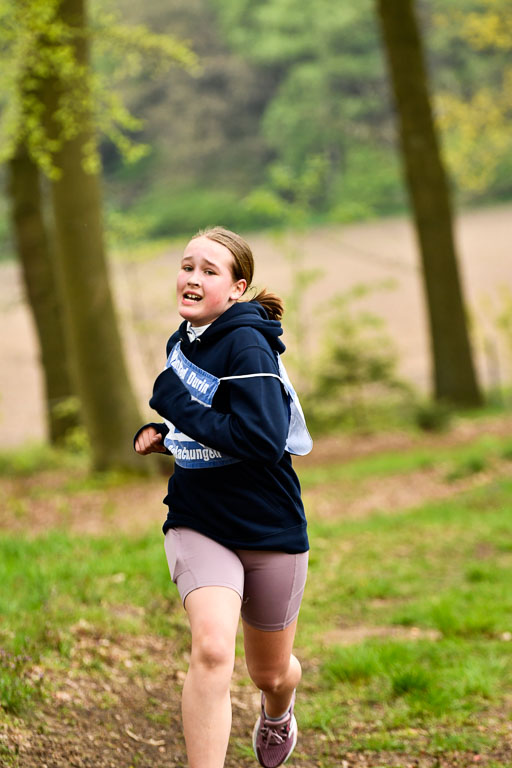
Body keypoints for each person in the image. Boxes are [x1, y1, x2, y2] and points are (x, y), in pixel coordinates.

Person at [134, 226, 312, 768]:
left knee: (269, 673)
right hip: (198, 519)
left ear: (236, 288)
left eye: (209, 271)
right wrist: (166, 433)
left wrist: (176, 406)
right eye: (188, 266)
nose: (192, 278)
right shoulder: (185, 340)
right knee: (212, 650)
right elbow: (210, 423)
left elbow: (260, 441)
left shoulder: (247, 344)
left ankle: (279, 709)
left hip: (268, 525)